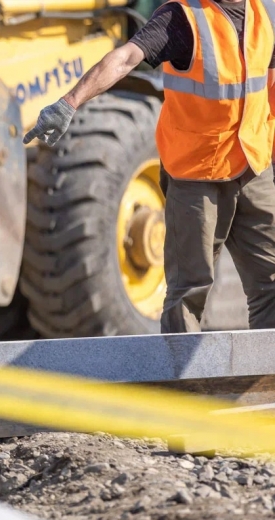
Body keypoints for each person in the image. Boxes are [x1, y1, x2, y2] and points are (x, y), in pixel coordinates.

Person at [23, 0, 275, 334]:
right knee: (189, 292)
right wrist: (69, 103)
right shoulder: (182, 18)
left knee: (271, 282)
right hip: (197, 174)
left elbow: (268, 84)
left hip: (253, 165)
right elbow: (126, 57)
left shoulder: (265, 13)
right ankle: (184, 385)